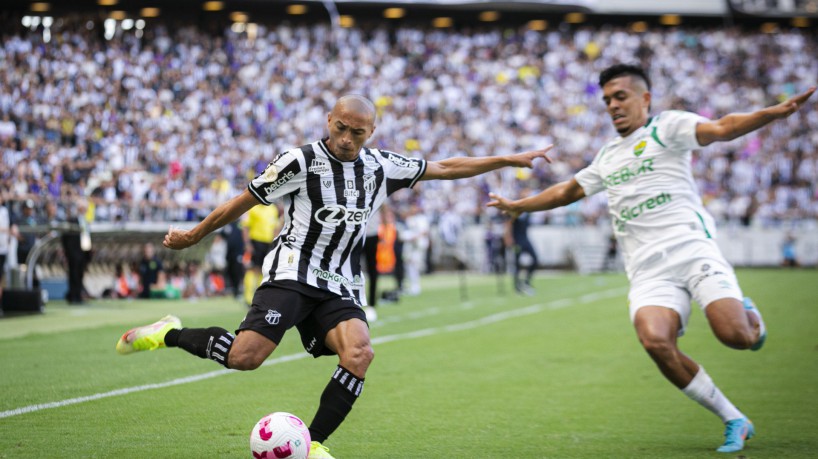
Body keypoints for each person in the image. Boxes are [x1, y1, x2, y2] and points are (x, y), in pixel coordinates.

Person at [115, 94, 551, 459]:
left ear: (370, 134)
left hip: (339, 283)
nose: (345, 139)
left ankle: (313, 444)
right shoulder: (299, 161)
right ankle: (169, 333)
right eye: (340, 128)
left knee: (359, 353)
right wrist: (195, 235)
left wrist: (506, 160)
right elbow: (242, 202)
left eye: (356, 133)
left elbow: (446, 167)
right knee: (245, 357)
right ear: (329, 120)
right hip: (291, 273)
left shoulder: (381, 167)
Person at [488, 63, 816, 454]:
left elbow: (723, 127)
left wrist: (771, 113)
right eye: (607, 100)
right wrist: (518, 206)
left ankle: (752, 320)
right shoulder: (608, 155)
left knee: (737, 337)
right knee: (655, 341)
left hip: (692, 250)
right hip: (647, 270)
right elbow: (566, 191)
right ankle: (734, 419)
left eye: (620, 96)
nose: (612, 105)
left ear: (645, 98)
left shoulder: (668, 127)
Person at [241, 201, 280, 306]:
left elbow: (275, 228)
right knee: (252, 269)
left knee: (264, 269)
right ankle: (248, 297)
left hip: (268, 243)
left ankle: (259, 296)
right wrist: (247, 243)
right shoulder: (253, 208)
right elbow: (245, 227)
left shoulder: (273, 209)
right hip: (255, 241)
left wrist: (274, 243)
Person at [504, 189, 538, 296]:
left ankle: (526, 282)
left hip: (525, 238)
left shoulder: (528, 209)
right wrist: (508, 237)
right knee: (517, 263)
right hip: (517, 240)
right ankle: (517, 286)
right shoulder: (516, 208)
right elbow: (508, 224)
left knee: (535, 259)